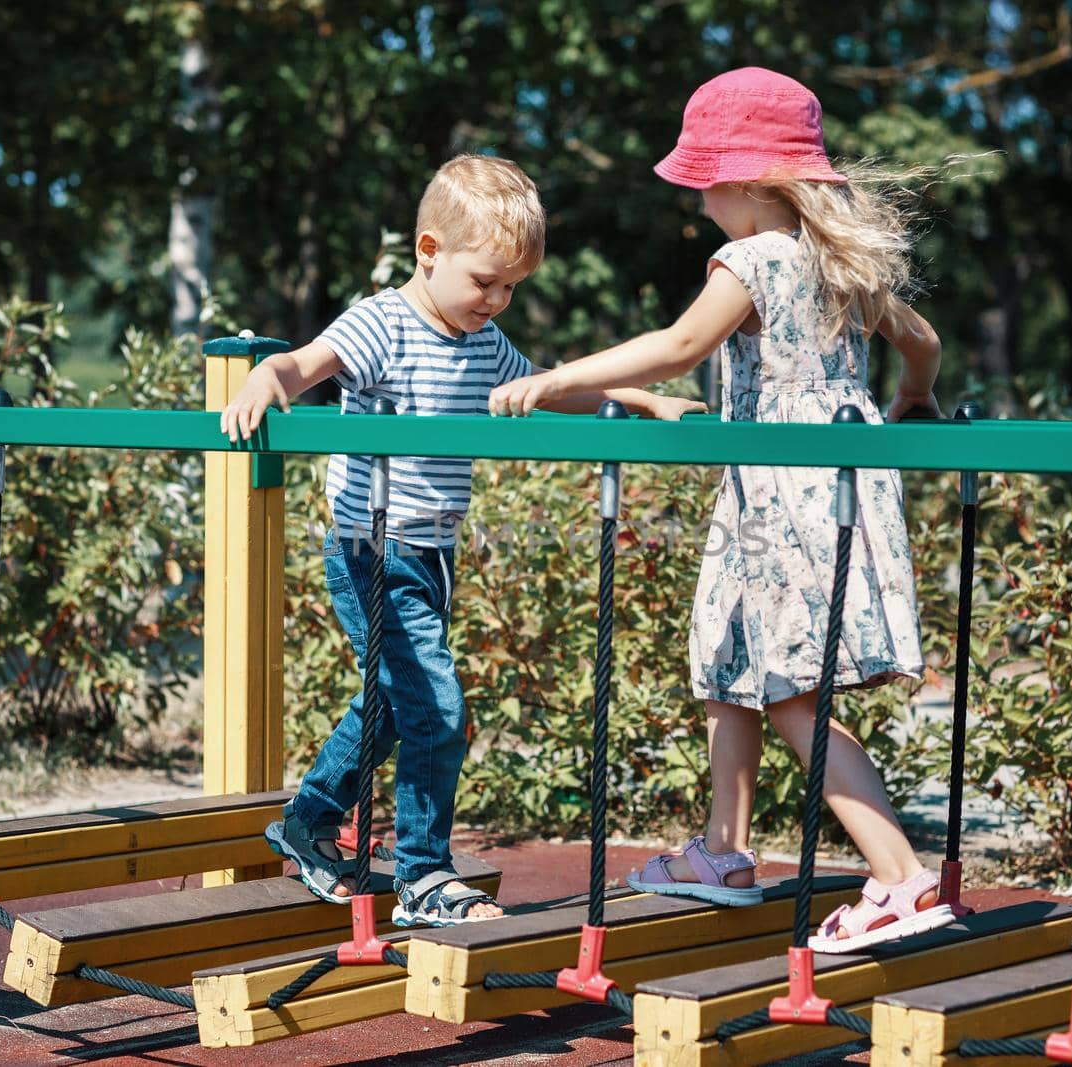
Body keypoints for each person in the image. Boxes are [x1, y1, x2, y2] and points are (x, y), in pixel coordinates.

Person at [488, 68, 950, 952]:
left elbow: (680, 346)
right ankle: (724, 850)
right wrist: (911, 405)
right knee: (733, 657)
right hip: (825, 486)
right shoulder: (840, 260)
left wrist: (557, 376)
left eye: (705, 180)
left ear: (746, 181)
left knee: (791, 692)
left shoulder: (756, 257)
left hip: (781, 493)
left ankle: (900, 877)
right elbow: (921, 344)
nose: (698, 198)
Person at [220, 154, 703, 927]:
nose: (498, 299)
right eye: (486, 280)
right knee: (437, 710)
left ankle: (308, 820)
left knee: (396, 698)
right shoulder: (382, 324)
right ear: (429, 250)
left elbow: (551, 388)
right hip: (370, 549)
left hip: (431, 552)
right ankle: (424, 875)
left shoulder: (484, 344)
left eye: (512, 285)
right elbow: (302, 364)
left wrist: (643, 399)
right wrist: (262, 381)